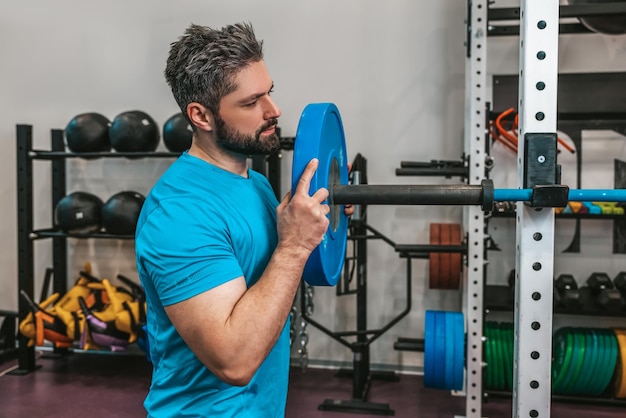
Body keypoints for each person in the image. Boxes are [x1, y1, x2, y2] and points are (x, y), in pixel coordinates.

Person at [135, 22, 352, 417]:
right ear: (201, 115)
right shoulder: (180, 214)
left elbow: (269, 281)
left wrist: (323, 209)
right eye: (252, 103)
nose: (274, 110)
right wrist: (295, 244)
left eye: (270, 92)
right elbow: (234, 361)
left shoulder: (255, 185)